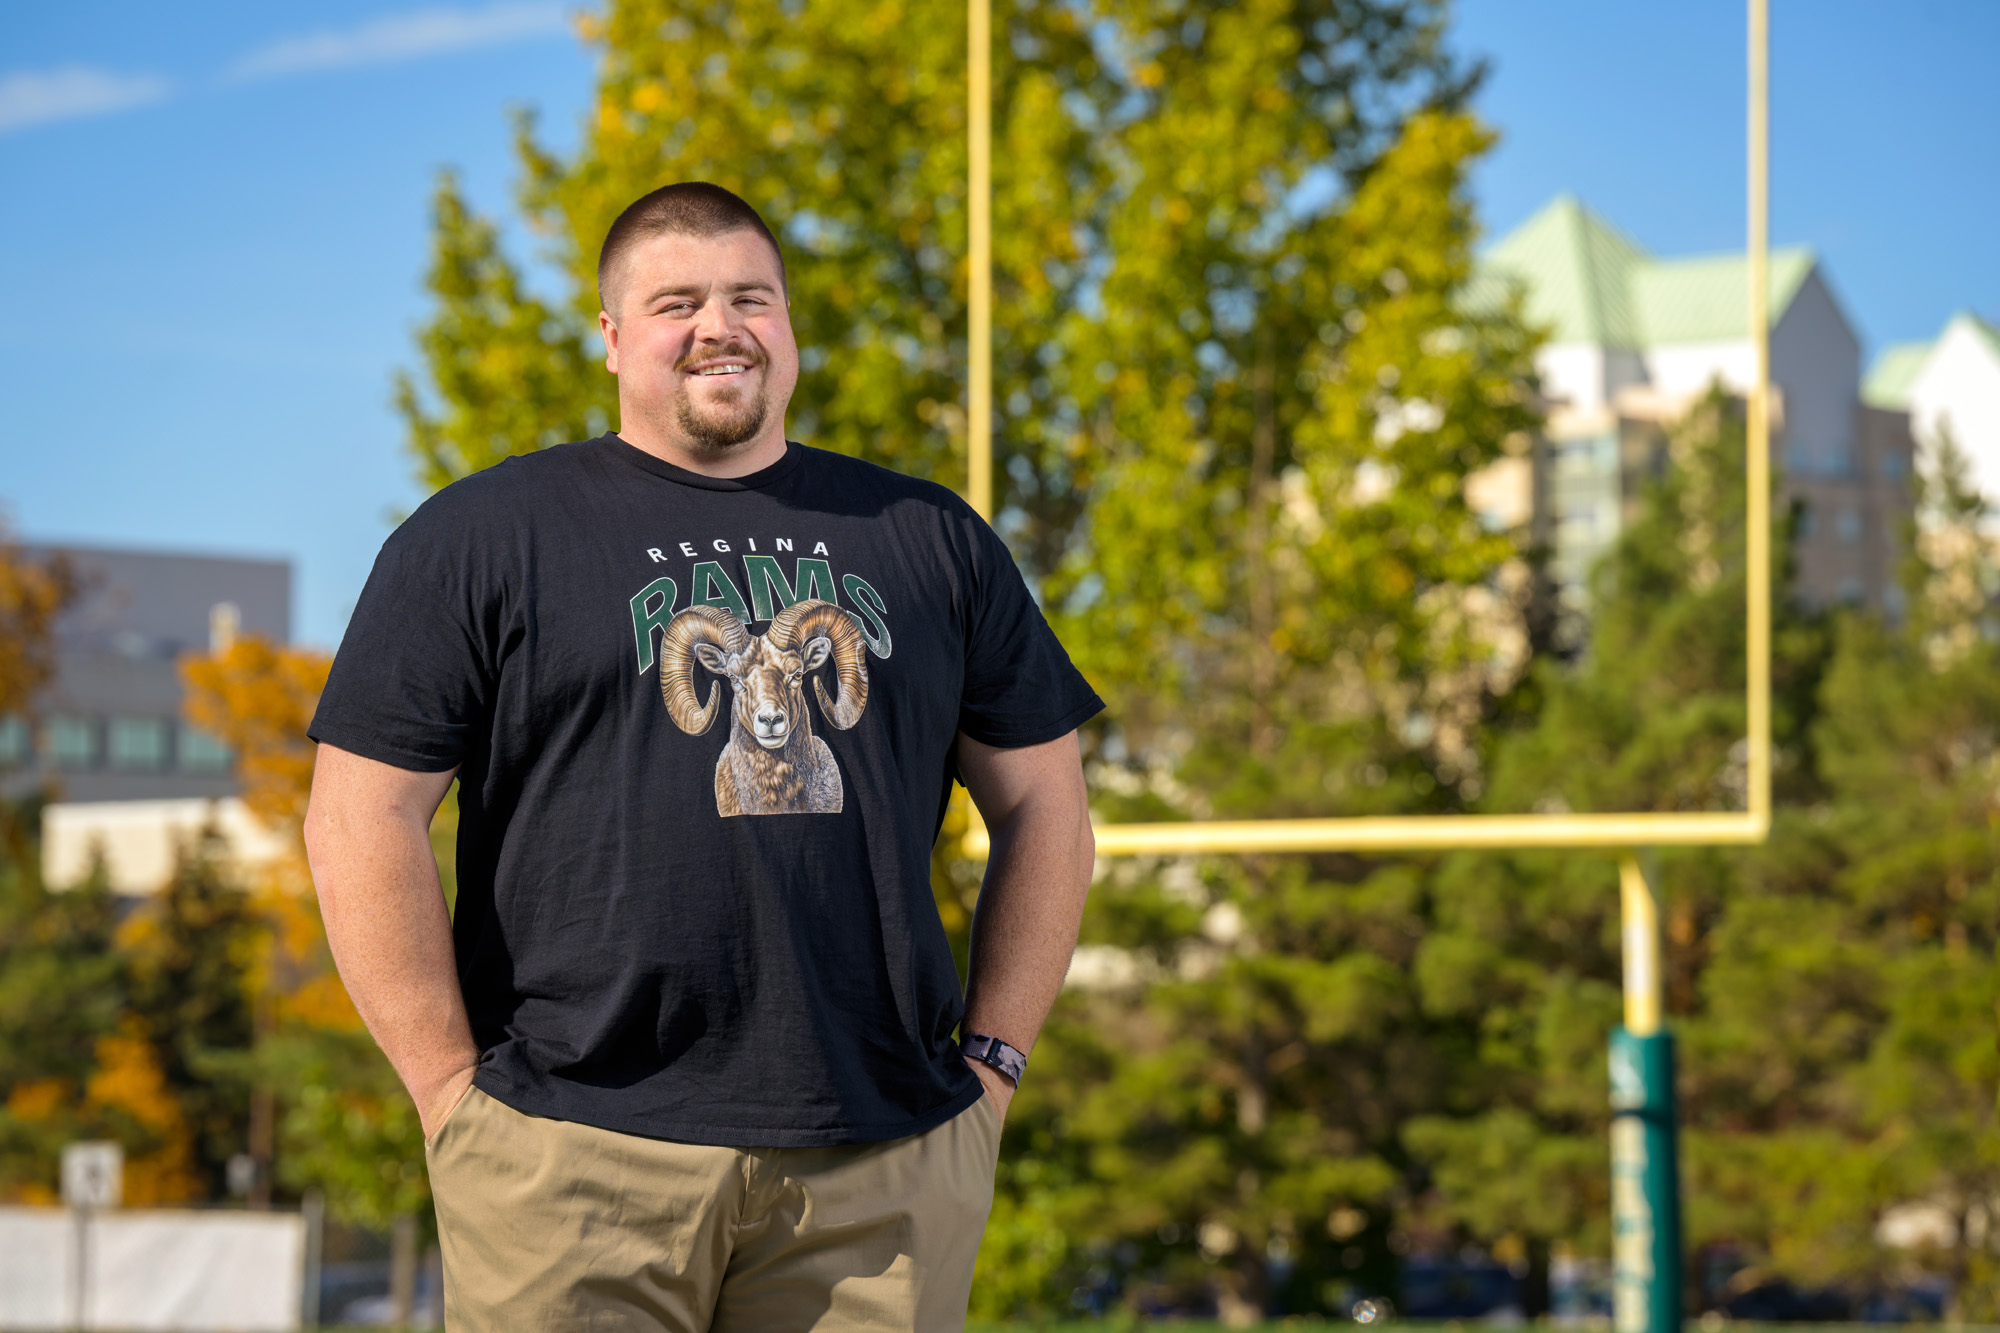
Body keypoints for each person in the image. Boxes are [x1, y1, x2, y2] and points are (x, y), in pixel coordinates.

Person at [302, 181, 1101, 1331]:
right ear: (613, 337)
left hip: (882, 1161)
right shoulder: (481, 536)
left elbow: (1048, 806)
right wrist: (446, 1089)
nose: (719, 325)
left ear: (787, 328)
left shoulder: (929, 540)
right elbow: (356, 816)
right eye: (677, 301)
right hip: (571, 1152)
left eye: (750, 298)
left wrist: (992, 1070)